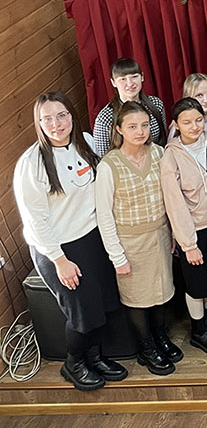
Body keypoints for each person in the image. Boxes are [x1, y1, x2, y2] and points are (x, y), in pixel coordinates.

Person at [14, 93, 126, 391]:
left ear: (72, 115)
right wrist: (59, 260)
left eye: (61, 115)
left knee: (101, 304)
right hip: (59, 248)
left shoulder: (85, 142)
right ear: (39, 123)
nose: (56, 124)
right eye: (47, 119)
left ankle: (95, 356)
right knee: (81, 311)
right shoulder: (32, 163)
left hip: (91, 237)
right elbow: (35, 220)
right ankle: (74, 364)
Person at [95, 101, 179, 376]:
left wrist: (174, 233)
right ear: (119, 129)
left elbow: (170, 197)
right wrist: (117, 256)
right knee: (137, 298)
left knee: (161, 291)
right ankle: (146, 347)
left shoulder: (159, 153)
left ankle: (160, 336)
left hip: (159, 234)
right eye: (132, 126)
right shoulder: (109, 165)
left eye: (144, 125)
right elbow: (104, 215)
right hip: (130, 243)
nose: (140, 131)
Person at [160, 97, 207, 356]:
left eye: (198, 120)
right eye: (187, 122)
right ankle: (199, 331)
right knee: (197, 285)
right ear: (176, 125)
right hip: (193, 229)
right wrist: (188, 244)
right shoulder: (171, 156)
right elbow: (174, 204)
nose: (194, 126)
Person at [92, 58, 167, 157]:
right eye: (123, 79)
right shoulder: (105, 118)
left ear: (142, 77)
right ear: (113, 82)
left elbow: (163, 140)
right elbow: (104, 157)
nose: (130, 83)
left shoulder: (156, 104)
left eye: (134, 77)